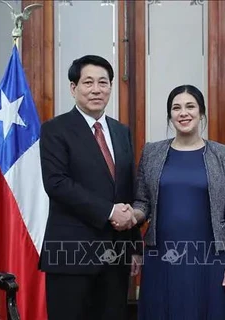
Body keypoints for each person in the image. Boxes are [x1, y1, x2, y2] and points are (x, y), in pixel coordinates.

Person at [39, 55, 143, 320]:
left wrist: (133, 248)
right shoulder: (55, 129)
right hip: (72, 255)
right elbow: (57, 183)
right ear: (73, 88)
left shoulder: (121, 132)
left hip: (115, 257)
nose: (96, 89)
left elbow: (127, 190)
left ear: (110, 87)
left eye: (103, 83)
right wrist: (109, 211)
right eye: (88, 82)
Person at [132, 84, 225, 319]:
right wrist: (131, 215)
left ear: (201, 113)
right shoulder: (152, 153)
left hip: (210, 258)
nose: (183, 113)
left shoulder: (223, 155)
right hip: (161, 257)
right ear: (170, 116)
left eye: (190, 106)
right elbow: (142, 202)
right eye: (176, 108)